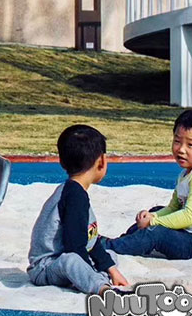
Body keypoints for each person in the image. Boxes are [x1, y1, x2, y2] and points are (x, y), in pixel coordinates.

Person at [102, 109, 192, 260]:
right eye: (177, 141)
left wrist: (153, 221)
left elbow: (190, 216)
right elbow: (173, 208)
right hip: (190, 235)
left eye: (190, 145)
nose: (181, 149)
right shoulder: (185, 174)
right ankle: (121, 241)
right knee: (156, 210)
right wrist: (152, 216)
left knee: (156, 232)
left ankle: (109, 247)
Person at [27, 124, 129, 294]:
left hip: (67, 257)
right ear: (102, 161)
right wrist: (91, 274)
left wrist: (112, 270)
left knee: (110, 257)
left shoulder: (75, 191)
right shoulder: (74, 196)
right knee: (72, 261)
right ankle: (102, 288)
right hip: (47, 266)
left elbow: (90, 241)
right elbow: (74, 245)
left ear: (62, 162)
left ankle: (97, 277)